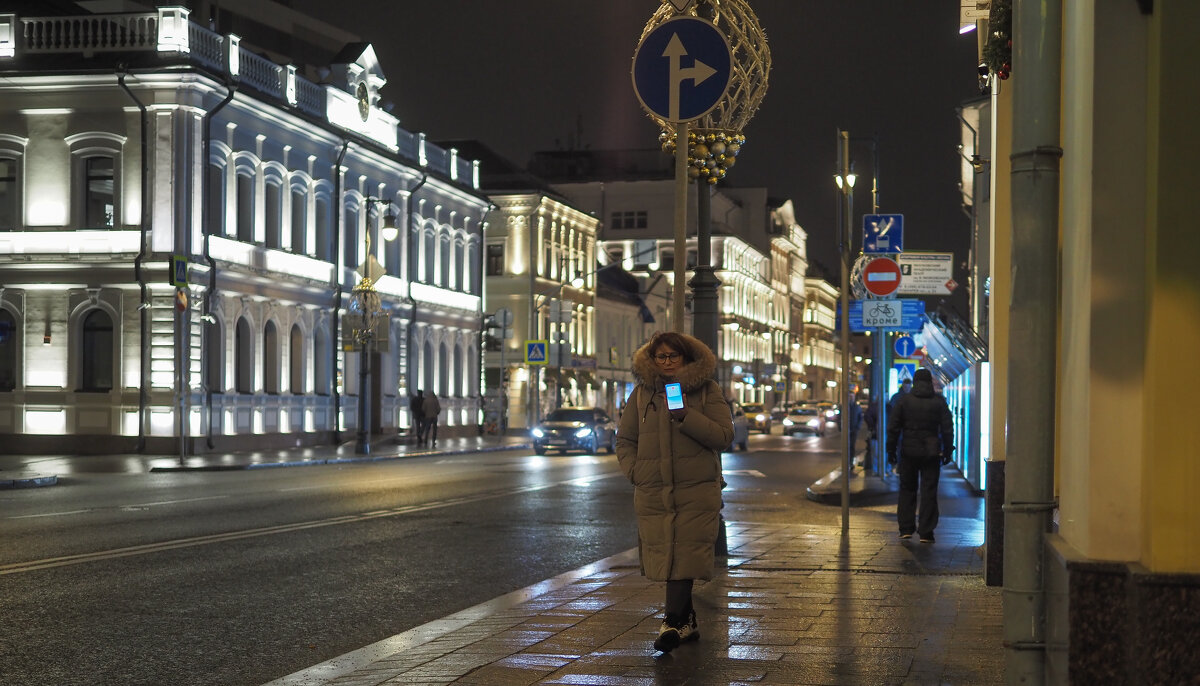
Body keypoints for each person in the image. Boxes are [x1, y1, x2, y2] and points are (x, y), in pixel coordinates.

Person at [615, 331, 733, 654]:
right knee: (669, 555)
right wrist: (636, 472)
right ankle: (687, 620)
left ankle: (671, 622)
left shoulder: (707, 391)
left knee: (684, 555)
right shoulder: (641, 394)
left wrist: (685, 416)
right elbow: (625, 440)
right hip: (654, 491)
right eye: (660, 357)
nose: (666, 362)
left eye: (673, 356)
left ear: (686, 358)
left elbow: (724, 435)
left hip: (697, 491)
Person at [886, 368, 954, 544]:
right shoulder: (939, 402)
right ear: (930, 383)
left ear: (915, 382)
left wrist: (891, 451)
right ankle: (926, 531)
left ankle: (906, 529)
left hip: (908, 452)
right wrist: (947, 451)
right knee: (929, 491)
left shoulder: (904, 401)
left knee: (907, 489)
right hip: (931, 453)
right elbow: (948, 429)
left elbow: (893, 428)